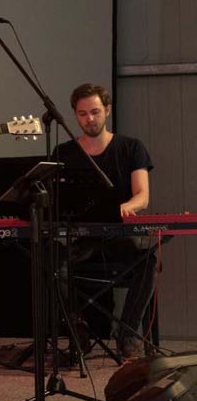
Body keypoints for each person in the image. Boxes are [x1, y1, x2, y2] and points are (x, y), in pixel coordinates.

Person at [53, 83, 156, 358]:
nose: (89, 119)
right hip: (81, 239)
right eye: (82, 114)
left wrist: (122, 208)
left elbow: (142, 196)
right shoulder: (64, 153)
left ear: (107, 110)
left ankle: (128, 332)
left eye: (95, 112)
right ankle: (78, 331)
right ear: (75, 115)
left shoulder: (131, 147)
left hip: (118, 235)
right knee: (52, 264)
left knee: (148, 261)